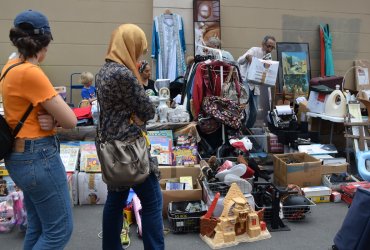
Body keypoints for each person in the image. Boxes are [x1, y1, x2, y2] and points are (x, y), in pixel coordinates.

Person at [1, 9, 77, 249]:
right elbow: (71, 120)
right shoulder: (31, 73)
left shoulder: (10, 66)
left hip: (19, 156)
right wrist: (56, 120)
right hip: (38, 157)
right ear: (45, 42)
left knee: (38, 226)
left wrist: (51, 121)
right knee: (59, 231)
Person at [95, 24, 164, 250]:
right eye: (138, 48)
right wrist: (137, 116)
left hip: (110, 147)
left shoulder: (103, 71)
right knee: (153, 203)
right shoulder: (124, 74)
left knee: (115, 201)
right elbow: (147, 109)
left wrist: (134, 114)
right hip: (130, 148)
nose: (138, 54)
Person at [237, 35, 276, 128]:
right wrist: (247, 57)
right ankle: (239, 128)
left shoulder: (269, 57)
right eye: (268, 46)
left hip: (256, 85)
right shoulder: (254, 50)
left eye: (272, 47)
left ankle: (248, 129)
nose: (270, 49)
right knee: (243, 108)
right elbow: (239, 60)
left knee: (255, 111)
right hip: (245, 81)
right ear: (263, 44)